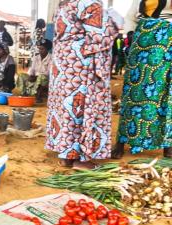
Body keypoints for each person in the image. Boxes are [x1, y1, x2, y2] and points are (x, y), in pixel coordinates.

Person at [46, 0, 122, 170]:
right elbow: (100, 36)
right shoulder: (89, 3)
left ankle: (67, 155)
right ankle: (82, 159)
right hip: (82, 65)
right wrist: (116, 23)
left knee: (66, 110)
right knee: (84, 106)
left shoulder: (64, 5)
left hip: (64, 64)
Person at [112, 0, 172, 159]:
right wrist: (131, 34)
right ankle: (121, 140)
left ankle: (167, 144)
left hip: (165, 41)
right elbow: (131, 16)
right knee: (133, 91)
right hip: (140, 41)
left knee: (162, 92)